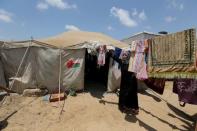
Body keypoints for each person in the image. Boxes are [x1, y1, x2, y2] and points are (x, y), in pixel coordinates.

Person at [109, 49, 139, 115]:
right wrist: (110, 51)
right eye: (123, 54)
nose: (124, 56)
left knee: (132, 95)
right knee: (123, 94)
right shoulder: (122, 61)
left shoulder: (132, 63)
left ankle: (135, 108)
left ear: (129, 56)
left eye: (126, 55)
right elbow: (114, 57)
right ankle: (124, 107)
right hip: (124, 82)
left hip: (132, 82)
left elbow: (137, 67)